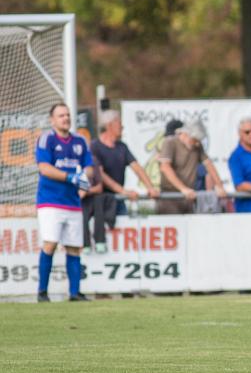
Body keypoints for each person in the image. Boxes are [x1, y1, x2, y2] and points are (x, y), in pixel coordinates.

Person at [35, 103, 94, 302]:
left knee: (74, 247)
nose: (66, 118)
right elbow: (44, 168)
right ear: (52, 119)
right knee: (50, 244)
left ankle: (75, 293)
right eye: (61, 115)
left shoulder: (80, 141)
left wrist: (83, 182)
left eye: (68, 115)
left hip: (73, 203)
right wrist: (70, 178)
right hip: (50, 201)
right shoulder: (47, 139)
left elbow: (89, 168)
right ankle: (42, 292)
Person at [88, 110, 159, 252]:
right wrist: (123, 191)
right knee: (101, 232)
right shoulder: (95, 146)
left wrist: (150, 187)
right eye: (119, 123)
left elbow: (137, 167)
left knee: (124, 232)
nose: (122, 126)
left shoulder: (122, 147)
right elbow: (100, 174)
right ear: (109, 125)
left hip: (119, 200)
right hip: (100, 200)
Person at [157, 120, 227, 214]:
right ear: (186, 134)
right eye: (195, 140)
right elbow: (165, 167)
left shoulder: (197, 146)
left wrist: (219, 186)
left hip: (189, 197)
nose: (197, 144)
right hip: (170, 197)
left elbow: (209, 164)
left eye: (199, 141)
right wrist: (183, 189)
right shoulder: (170, 142)